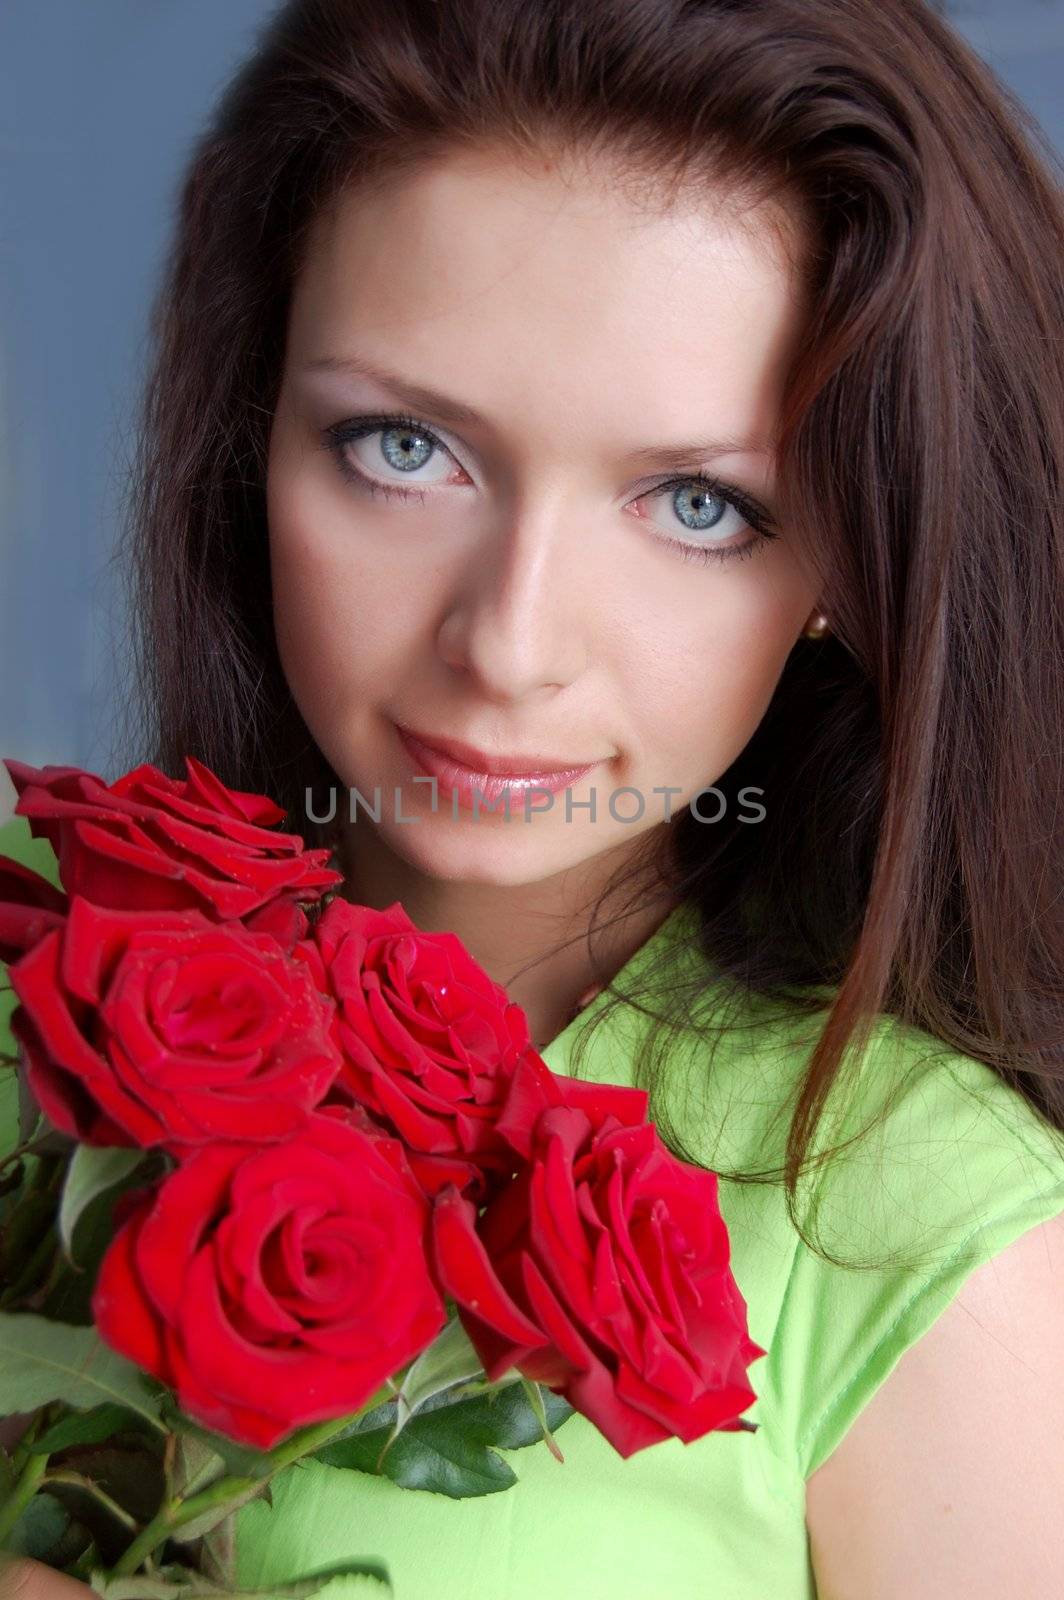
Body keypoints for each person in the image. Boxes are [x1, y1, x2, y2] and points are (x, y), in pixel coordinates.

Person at [2, 0, 1064, 1595]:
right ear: (253, 431)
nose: (507, 644)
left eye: (698, 503)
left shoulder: (922, 1227)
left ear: (852, 556)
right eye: (403, 448)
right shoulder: (27, 954)